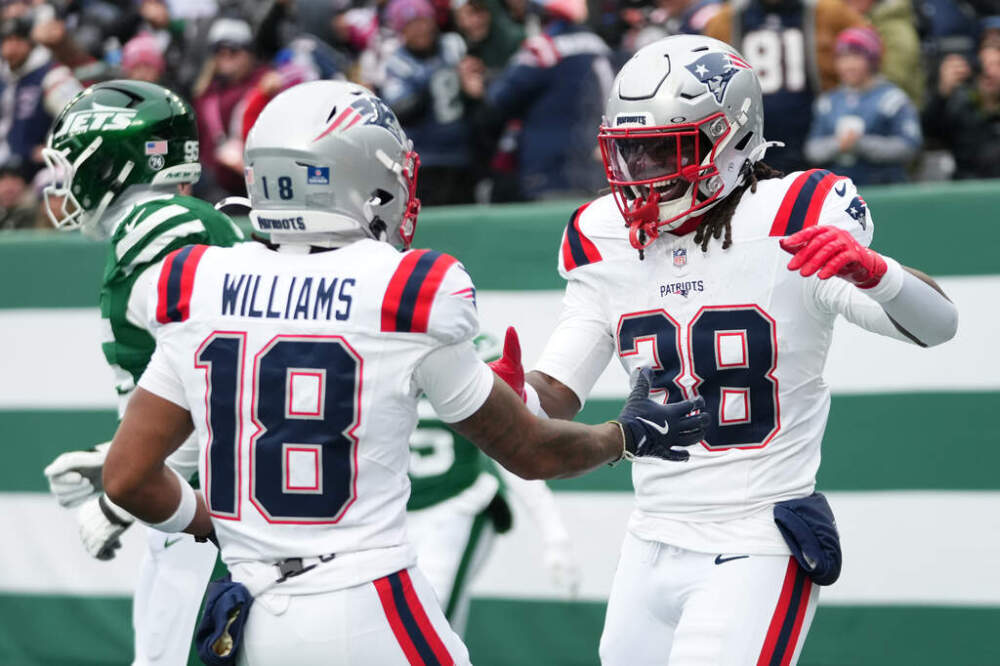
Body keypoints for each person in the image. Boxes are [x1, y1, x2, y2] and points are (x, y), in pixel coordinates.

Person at [99, 79, 710, 665]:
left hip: (247, 613)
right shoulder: (402, 291)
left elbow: (126, 478)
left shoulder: (194, 282)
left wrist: (223, 527)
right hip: (364, 602)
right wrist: (624, 435)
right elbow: (531, 451)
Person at [516, 35, 957, 665]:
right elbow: (557, 389)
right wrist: (512, 393)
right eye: (628, 151)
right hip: (650, 537)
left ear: (729, 138)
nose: (640, 173)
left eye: (662, 150)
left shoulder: (794, 216)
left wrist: (874, 272)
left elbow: (938, 326)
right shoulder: (603, 236)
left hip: (758, 535)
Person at [39, 80, 245, 665]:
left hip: (216, 517)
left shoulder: (158, 227)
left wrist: (124, 494)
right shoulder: (163, 223)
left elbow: (215, 384)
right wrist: (118, 455)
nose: (63, 182)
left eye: (70, 164)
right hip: (200, 505)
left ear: (111, 160)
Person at [407, 333, 579, 636]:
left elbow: (510, 444)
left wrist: (554, 533)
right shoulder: (374, 345)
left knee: (430, 618)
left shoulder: (472, 352)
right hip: (393, 510)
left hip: (458, 502)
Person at [704, 0, 866, 173]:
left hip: (813, 138)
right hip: (750, 144)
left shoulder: (828, 12)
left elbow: (869, 50)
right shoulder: (727, 20)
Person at [380, 0, 477, 205]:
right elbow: (399, 110)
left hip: (463, 154)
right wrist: (431, 83)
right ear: (401, 31)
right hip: (425, 159)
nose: (420, 29)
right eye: (411, 24)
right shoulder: (397, 63)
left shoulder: (453, 45)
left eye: (423, 21)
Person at [805, 27, 922, 184]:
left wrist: (860, 144)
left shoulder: (892, 99)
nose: (848, 65)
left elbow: (909, 146)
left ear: (872, 60)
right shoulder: (828, 102)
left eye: (856, 57)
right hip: (840, 189)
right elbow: (812, 149)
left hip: (884, 185)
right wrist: (839, 144)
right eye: (842, 58)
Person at [0, 14, 81, 178]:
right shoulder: (6, 81)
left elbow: (77, 118)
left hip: (45, 172)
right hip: (8, 170)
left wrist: (53, 148)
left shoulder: (51, 75)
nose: (9, 49)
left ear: (29, 42)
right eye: (6, 41)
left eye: (16, 41)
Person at [923, 34, 1000, 178]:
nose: (988, 72)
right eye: (984, 64)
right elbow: (929, 134)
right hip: (966, 185)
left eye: (997, 65)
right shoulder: (961, 105)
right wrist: (942, 95)